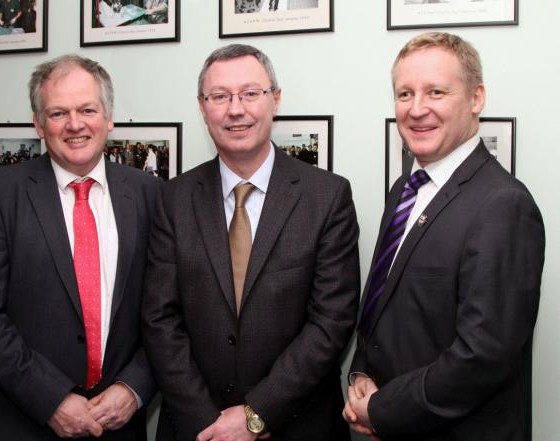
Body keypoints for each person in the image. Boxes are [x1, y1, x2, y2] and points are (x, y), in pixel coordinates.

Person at [143, 43, 360, 441]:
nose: (235, 109)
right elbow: (160, 320)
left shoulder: (326, 197)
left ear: (275, 100)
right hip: (196, 428)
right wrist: (205, 421)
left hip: (298, 425)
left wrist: (256, 414)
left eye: (250, 93)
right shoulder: (173, 199)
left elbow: (332, 321)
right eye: (220, 96)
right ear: (202, 107)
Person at [343, 32, 545, 441]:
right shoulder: (405, 189)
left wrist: (382, 408)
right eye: (404, 94)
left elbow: (483, 356)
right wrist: (362, 371)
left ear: (476, 98)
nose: (417, 109)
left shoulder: (503, 205)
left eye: (436, 91)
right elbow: (384, 303)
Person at [0, 54, 159, 441]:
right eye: (57, 113)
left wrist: (134, 387)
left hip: (118, 423)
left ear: (108, 117)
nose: (75, 124)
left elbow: (166, 309)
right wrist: (50, 399)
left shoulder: (149, 193)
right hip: (22, 419)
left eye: (87, 109)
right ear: (38, 123)